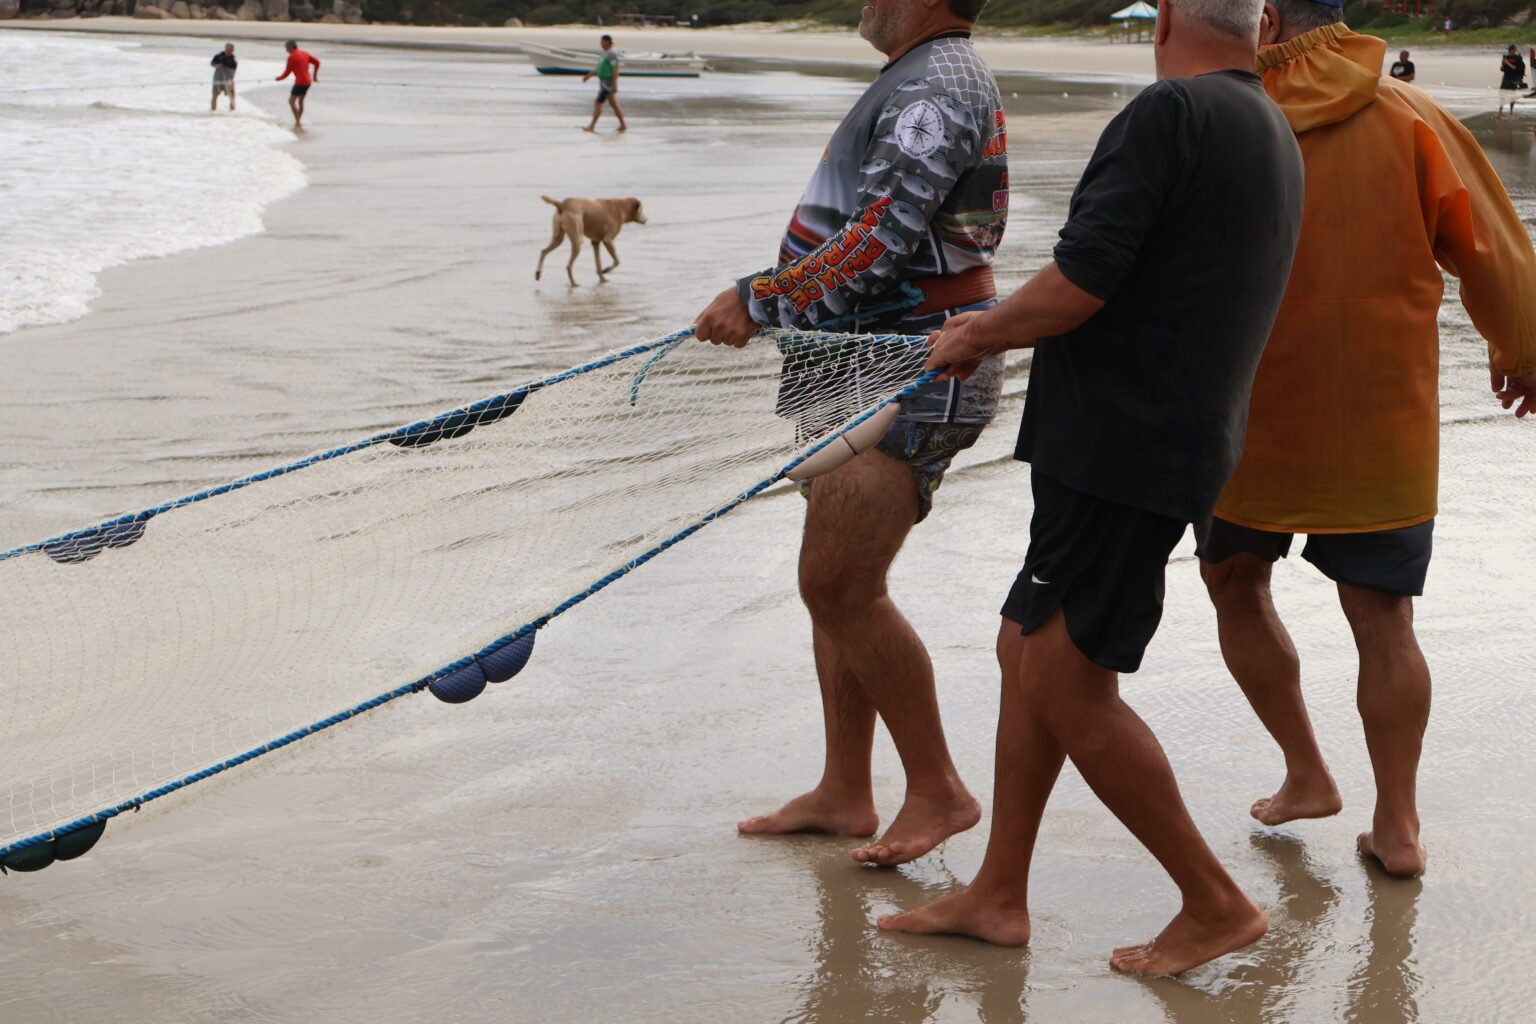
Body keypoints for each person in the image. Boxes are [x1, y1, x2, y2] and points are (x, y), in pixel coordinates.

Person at [876, 0, 1305, 977]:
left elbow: (1082, 280)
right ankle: (997, 892)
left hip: (1127, 445)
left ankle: (1213, 901)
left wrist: (976, 331)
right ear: (1260, 24)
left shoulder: (1168, 115)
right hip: (1164, 438)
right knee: (1023, 641)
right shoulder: (1267, 124)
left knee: (1068, 676)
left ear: (1164, 22)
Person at [1197, 2, 1536, 880]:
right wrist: (1523, 354)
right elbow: (1493, 250)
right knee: (1383, 619)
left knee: (1235, 580)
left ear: (1264, 19)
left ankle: (1307, 770)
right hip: (1378, 416)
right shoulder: (1410, 115)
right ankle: (1398, 826)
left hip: (1243, 413)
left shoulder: (1217, 114)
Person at [693, 0, 1010, 866]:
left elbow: (877, 239)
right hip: (866, 363)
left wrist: (759, 300)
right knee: (829, 584)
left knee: (841, 586)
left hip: (911, 366)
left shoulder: (935, 86)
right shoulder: (924, 74)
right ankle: (844, 789)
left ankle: (938, 788)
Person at [582, 35, 627, 133]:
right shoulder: (604, 54)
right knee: (613, 104)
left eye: (602, 42)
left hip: (608, 82)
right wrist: (588, 76)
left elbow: (615, 69)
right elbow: (599, 68)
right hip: (603, 81)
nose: (601, 44)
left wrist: (615, 85)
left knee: (598, 102)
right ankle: (623, 125)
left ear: (607, 42)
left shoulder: (612, 54)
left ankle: (591, 126)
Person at [276, 40, 320, 128]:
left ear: (291, 47)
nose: (286, 50)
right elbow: (317, 63)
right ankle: (298, 121)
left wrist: (278, 78)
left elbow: (287, 73)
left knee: (291, 101)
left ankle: (297, 121)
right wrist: (314, 77)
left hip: (300, 82)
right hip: (308, 82)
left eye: (287, 48)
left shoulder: (292, 57)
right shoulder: (304, 53)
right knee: (300, 101)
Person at [1499, 44, 1526, 117]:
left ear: (1513, 50)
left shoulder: (1518, 58)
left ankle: (1511, 112)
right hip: (1505, 78)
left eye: (1510, 50)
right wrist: (1503, 63)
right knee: (1502, 96)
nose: (1509, 51)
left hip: (1513, 79)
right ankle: (1500, 112)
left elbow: (1516, 68)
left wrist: (1507, 62)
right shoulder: (1506, 57)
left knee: (1512, 96)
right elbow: (1502, 69)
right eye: (1508, 50)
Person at [210, 42, 237, 113]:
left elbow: (233, 68)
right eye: (228, 50)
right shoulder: (219, 56)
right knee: (215, 95)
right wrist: (217, 66)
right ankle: (213, 110)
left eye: (231, 50)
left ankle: (232, 111)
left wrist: (224, 65)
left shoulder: (233, 59)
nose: (229, 52)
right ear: (225, 49)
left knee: (232, 96)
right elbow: (212, 63)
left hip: (228, 79)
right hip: (218, 78)